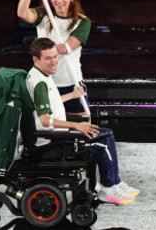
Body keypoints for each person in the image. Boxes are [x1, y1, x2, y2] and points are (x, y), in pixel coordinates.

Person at [27, 37, 139, 205]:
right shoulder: (40, 83)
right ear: (36, 59)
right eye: (48, 58)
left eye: (55, 56)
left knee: (104, 133)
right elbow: (44, 120)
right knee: (102, 140)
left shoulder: (40, 75)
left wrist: (72, 95)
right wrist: (76, 125)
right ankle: (109, 187)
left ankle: (115, 182)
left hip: (55, 135)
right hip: (51, 141)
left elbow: (49, 103)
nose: (54, 62)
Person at [17, 0, 91, 116]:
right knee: (47, 126)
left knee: (83, 124)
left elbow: (65, 48)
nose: (59, 0)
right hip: (45, 82)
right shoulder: (43, 15)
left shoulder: (82, 22)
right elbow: (22, 13)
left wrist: (41, 51)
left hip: (71, 83)